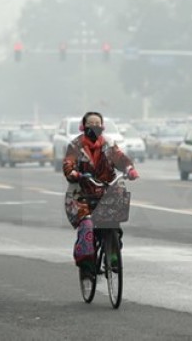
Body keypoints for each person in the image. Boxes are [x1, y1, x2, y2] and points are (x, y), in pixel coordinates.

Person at [63, 111, 139, 277]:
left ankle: (113, 257)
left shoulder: (109, 144)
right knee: (88, 225)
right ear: (83, 127)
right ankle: (86, 263)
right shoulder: (75, 146)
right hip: (80, 195)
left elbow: (120, 159)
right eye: (91, 123)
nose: (95, 126)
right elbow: (68, 164)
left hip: (106, 192)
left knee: (112, 224)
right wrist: (76, 174)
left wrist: (129, 169)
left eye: (98, 123)